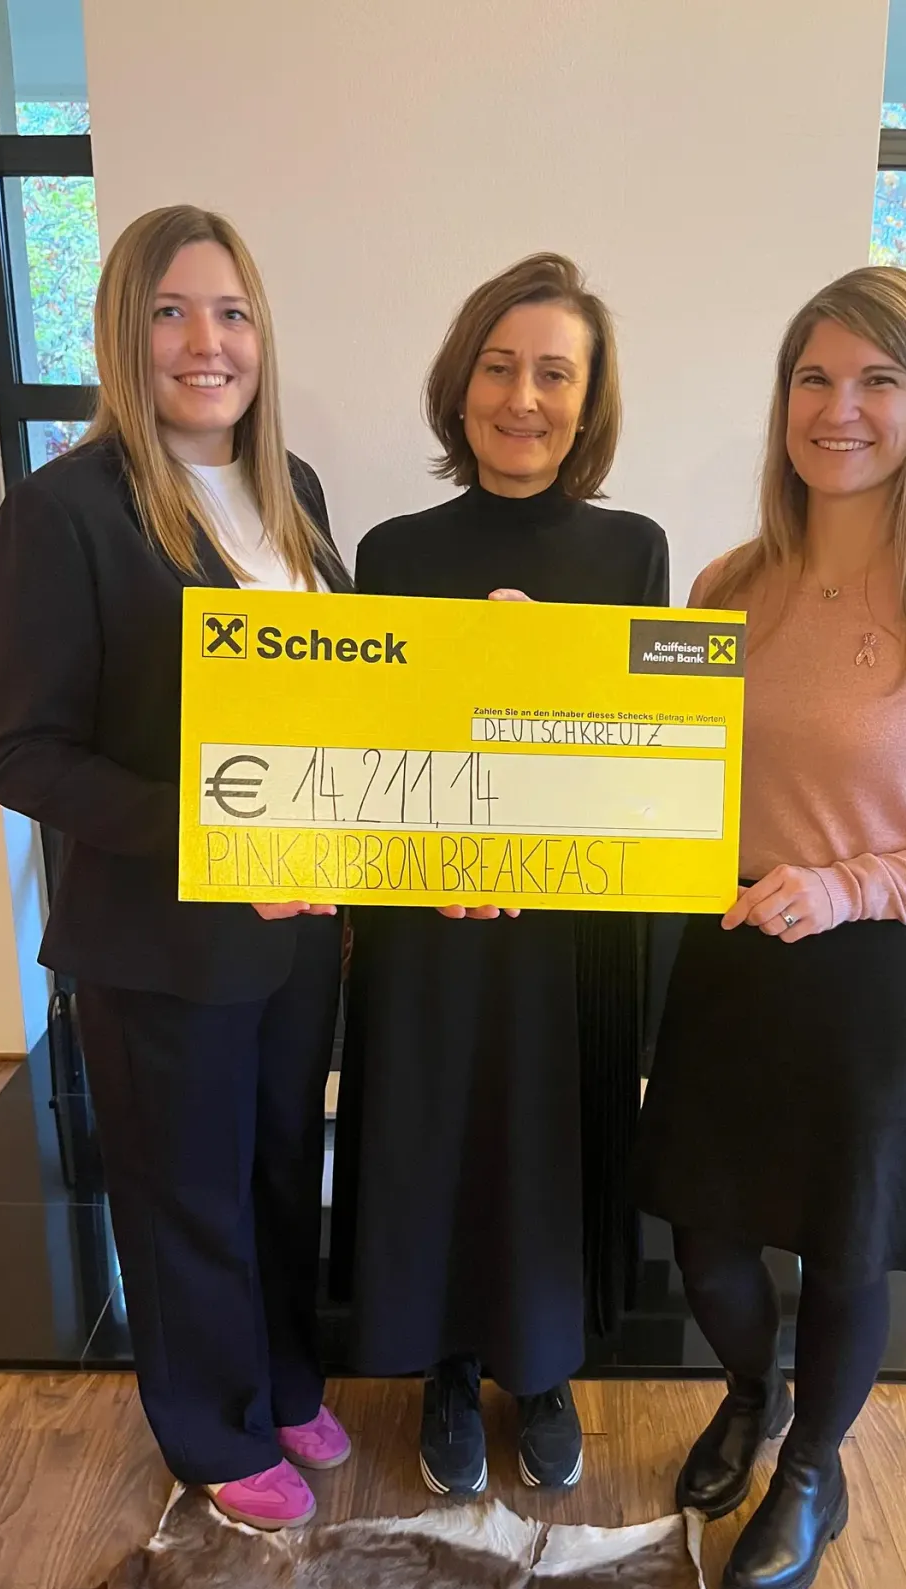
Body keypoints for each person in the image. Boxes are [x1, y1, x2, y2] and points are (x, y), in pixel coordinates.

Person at [632, 265, 906, 1589]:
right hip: (727, 950)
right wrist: (530, 657)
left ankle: (812, 1470)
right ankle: (751, 1392)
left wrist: (854, 886)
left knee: (843, 1247)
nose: (840, 408)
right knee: (705, 1239)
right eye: (813, 378)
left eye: (878, 381)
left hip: (874, 967)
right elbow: (641, 747)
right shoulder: (729, 582)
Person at [0, 205, 354, 1532]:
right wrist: (210, 843)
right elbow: (23, 755)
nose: (208, 342)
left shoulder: (292, 490)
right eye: (171, 312)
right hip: (158, 935)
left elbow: (342, 696)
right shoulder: (63, 511)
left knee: (277, 1167)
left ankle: (282, 1377)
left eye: (232, 313)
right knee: (183, 1191)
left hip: (296, 928)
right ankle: (210, 1428)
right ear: (121, 336)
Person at [333, 253, 669, 1498]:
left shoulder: (634, 550)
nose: (523, 397)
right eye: (499, 366)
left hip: (567, 925)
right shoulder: (390, 550)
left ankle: (540, 1369)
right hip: (428, 916)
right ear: (459, 383)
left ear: (589, 401)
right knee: (434, 1128)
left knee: (548, 1136)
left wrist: (550, 665)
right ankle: (443, 1363)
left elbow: (646, 751)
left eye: (555, 373)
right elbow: (369, 749)